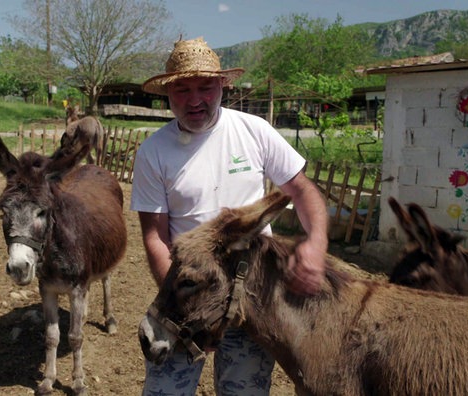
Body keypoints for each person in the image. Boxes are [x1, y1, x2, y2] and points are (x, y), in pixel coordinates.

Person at [130, 37, 329, 395]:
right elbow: (155, 237)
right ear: (167, 93)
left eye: (205, 87)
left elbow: (302, 191)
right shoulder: (153, 152)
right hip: (187, 293)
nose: (194, 100)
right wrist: (185, 305)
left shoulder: (253, 132)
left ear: (222, 84)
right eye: (182, 90)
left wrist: (316, 243)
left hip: (251, 293)